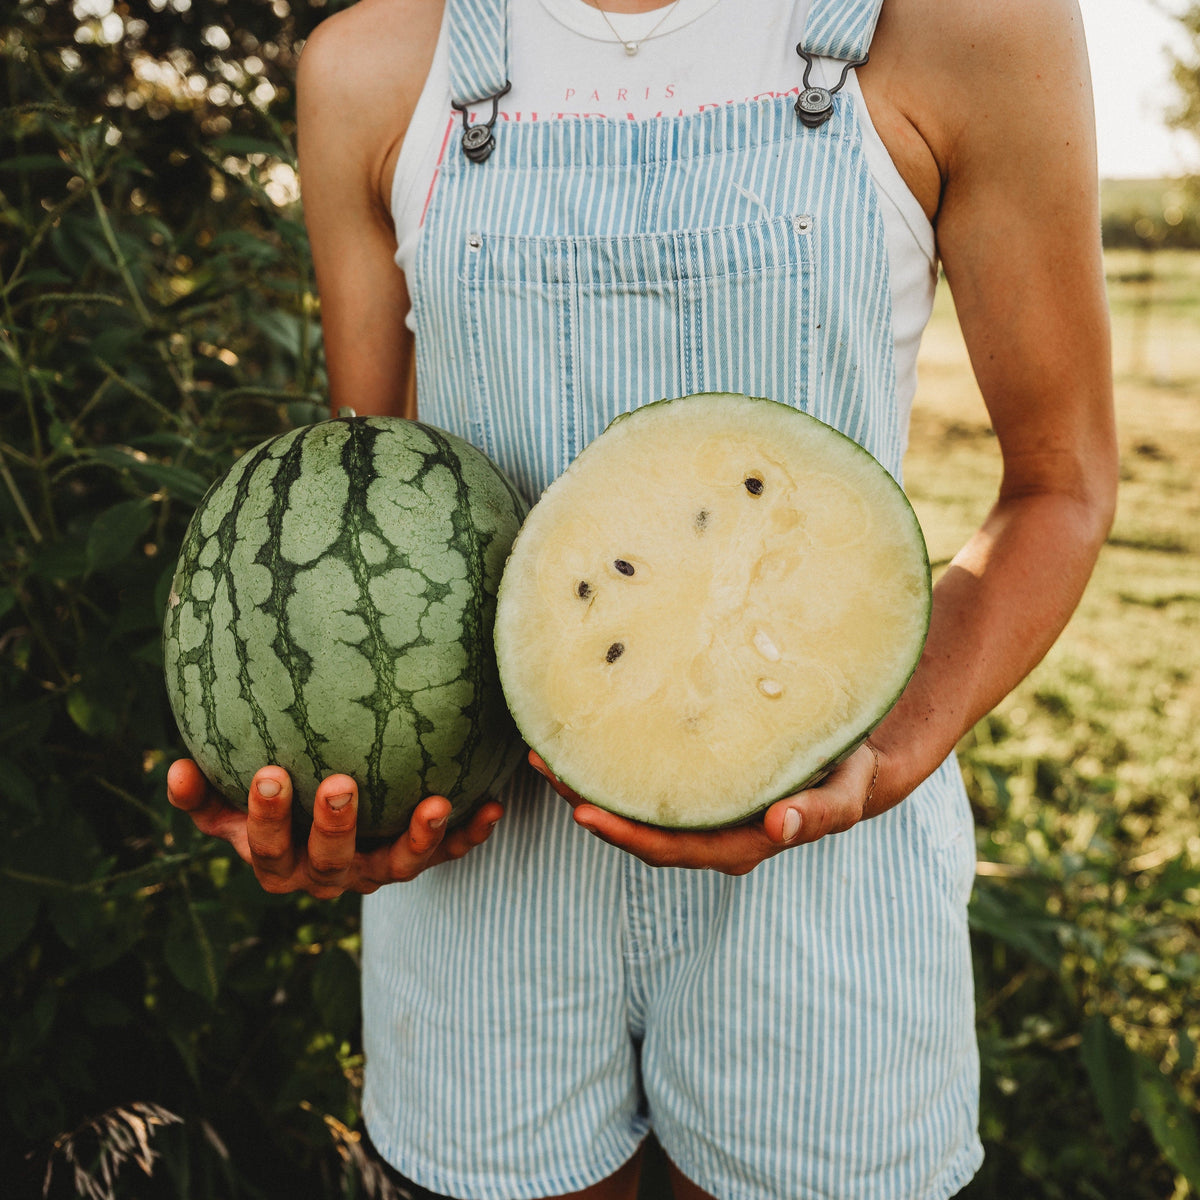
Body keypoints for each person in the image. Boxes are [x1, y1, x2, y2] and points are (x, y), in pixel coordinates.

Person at [167, 0, 1118, 1195]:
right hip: (484, 885)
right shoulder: (368, 66)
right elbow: (368, 507)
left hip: (826, 856)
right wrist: (342, 800)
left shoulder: (972, 26)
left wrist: (891, 747)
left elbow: (1062, 486)